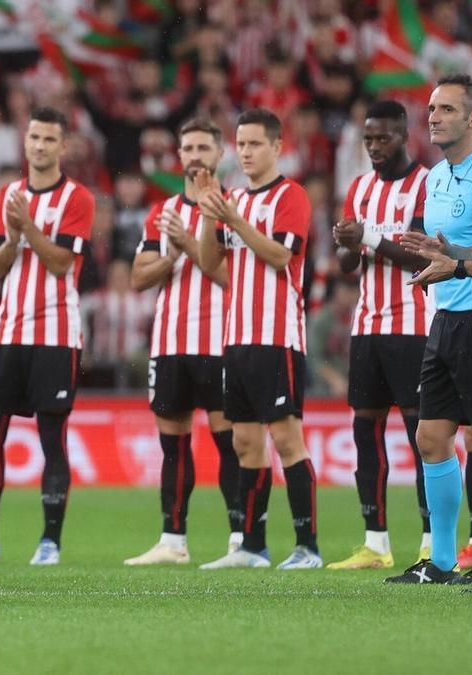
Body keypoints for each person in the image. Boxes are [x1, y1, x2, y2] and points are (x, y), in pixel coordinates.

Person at [196, 108, 322, 570]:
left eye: (254, 144)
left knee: (288, 439)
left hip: (277, 336)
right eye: (241, 144)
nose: (245, 152)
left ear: (276, 147)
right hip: (237, 337)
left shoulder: (291, 197)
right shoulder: (233, 201)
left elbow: (279, 255)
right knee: (245, 443)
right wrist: (213, 219)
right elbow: (212, 264)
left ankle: (308, 546)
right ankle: (252, 546)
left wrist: (235, 220)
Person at [0, 106, 96, 566]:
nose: (39, 146)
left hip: (56, 333)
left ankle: (50, 541)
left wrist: (28, 229)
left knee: (51, 435)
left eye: (48, 139)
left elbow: (62, 263)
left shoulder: (77, 199)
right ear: (24, 143)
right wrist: (12, 237)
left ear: (63, 147)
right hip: (8, 330)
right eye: (34, 138)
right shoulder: (8, 194)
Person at [125, 117, 242, 566]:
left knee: (228, 442)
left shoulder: (234, 208)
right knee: (172, 445)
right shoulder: (162, 213)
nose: (195, 156)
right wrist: (171, 254)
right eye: (187, 148)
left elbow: (230, 276)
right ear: (179, 157)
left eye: (203, 148)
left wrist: (190, 246)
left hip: (221, 341)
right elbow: (139, 277)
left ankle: (239, 539)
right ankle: (172, 540)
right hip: (171, 342)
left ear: (219, 155)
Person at [399, 75, 472, 587]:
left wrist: (456, 263)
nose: (432, 116)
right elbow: (466, 249)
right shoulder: (435, 178)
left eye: (445, 108)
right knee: (431, 435)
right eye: (431, 107)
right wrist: (438, 255)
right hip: (445, 318)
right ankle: (440, 561)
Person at [326, 100, 433, 570]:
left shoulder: (426, 184)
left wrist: (366, 238)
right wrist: (348, 243)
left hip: (412, 325)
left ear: (404, 136)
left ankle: (433, 540)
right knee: (365, 430)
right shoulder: (361, 188)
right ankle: (376, 543)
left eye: (383, 138)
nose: (373, 147)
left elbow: (422, 257)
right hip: (367, 326)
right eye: (368, 139)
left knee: (422, 435)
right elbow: (349, 265)